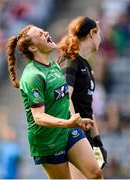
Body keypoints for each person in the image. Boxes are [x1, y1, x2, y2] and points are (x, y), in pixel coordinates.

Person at [6, 24, 103, 179]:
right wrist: (68, 122)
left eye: (43, 30)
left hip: (69, 130)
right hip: (48, 142)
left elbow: (65, 98)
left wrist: (75, 118)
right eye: (39, 34)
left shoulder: (54, 67)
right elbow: (39, 117)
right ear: (32, 48)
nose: (45, 32)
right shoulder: (33, 75)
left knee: (96, 173)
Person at [58, 16, 107, 178]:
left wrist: (97, 139)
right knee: (92, 176)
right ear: (92, 33)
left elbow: (88, 107)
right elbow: (65, 98)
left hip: (85, 135)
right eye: (99, 33)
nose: (101, 38)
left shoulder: (85, 65)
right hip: (73, 134)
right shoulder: (69, 61)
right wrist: (76, 128)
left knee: (96, 175)